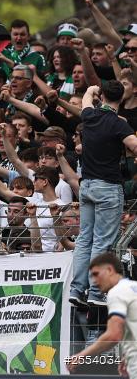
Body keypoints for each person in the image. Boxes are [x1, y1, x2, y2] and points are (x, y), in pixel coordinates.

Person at [70, 82, 137, 306]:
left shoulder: (89, 115)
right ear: (124, 96)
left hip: (86, 185)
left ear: (103, 95)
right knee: (101, 242)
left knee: (83, 240)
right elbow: (134, 146)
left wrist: (93, 90)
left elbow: (88, 95)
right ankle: (96, 293)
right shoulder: (118, 124)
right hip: (107, 187)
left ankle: (77, 289)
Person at [67, 253, 135, 376]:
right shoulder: (133, 287)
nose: (94, 281)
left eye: (96, 274)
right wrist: (128, 356)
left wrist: (81, 356)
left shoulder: (117, 292)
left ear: (109, 270)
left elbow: (113, 335)